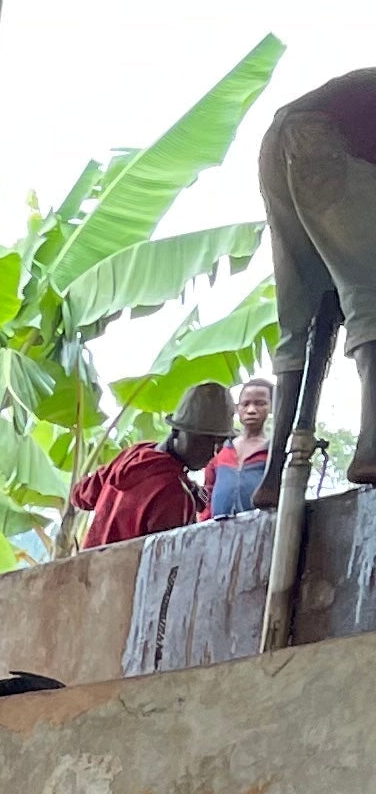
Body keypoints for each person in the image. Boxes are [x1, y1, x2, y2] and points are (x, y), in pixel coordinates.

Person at [255, 69, 376, 504]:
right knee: (370, 294)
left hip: (278, 143)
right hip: (328, 141)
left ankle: (273, 477)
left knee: (303, 315)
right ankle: (372, 447)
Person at [76, 383, 232, 548]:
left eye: (219, 443)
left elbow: (81, 495)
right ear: (177, 431)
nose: (213, 453)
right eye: (205, 441)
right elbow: (165, 562)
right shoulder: (175, 494)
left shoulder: (134, 453)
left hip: (91, 566)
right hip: (127, 572)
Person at [209, 372, 276, 519]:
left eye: (260, 403)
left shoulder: (274, 452)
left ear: (271, 407)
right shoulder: (221, 451)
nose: (251, 410)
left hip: (259, 532)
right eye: (246, 404)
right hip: (217, 533)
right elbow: (208, 492)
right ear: (237, 408)